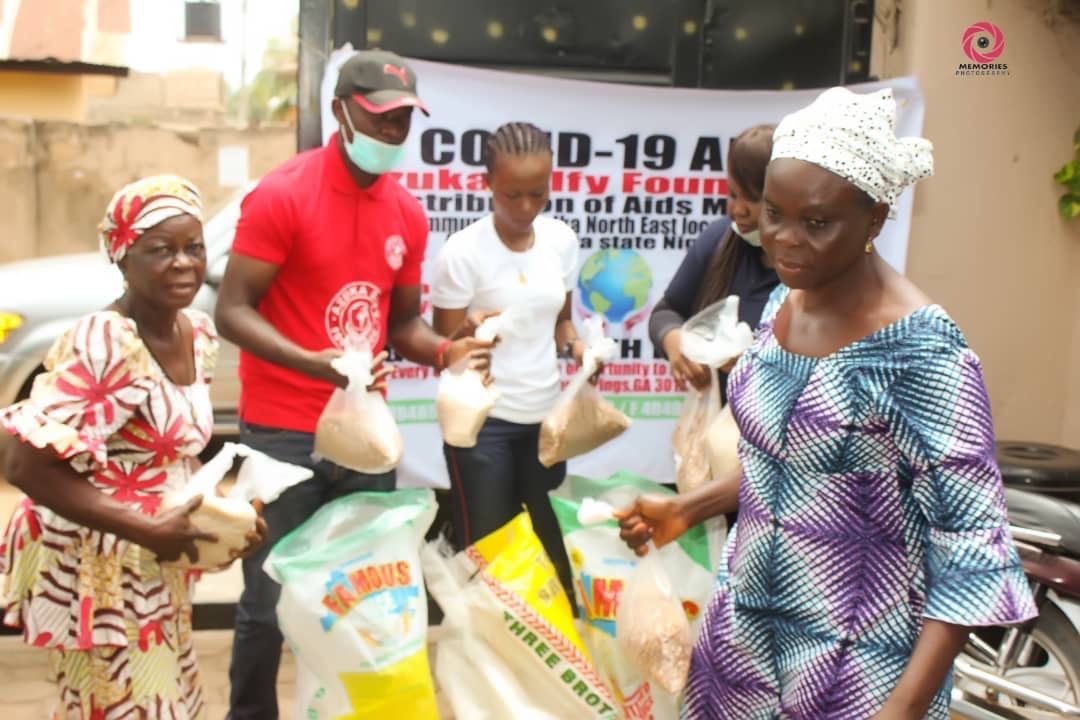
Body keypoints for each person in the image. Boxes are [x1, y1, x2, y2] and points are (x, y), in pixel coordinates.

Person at [616, 87, 1036, 719]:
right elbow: (790, 464)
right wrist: (688, 506)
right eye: (773, 214)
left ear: (876, 216)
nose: (785, 240)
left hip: (857, 671)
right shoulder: (790, 306)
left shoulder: (922, 354)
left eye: (816, 222)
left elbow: (973, 551)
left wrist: (902, 708)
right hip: (742, 653)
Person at [214, 50, 492, 718]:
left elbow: (401, 324)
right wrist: (313, 362)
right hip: (282, 431)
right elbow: (232, 309)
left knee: (361, 595)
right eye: (380, 119)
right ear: (340, 111)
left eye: (402, 121)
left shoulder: (406, 212)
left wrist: (449, 350)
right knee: (266, 598)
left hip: (366, 438)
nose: (392, 135)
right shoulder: (283, 194)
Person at [0, 175, 265, 718]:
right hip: (100, 562)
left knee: (161, 699)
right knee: (127, 704)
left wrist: (219, 522)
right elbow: (24, 463)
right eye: (161, 250)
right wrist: (144, 526)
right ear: (123, 257)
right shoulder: (105, 341)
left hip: (156, 557)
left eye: (193, 247)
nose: (184, 263)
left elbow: (172, 452)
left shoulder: (197, 332)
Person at [430, 121, 589, 599]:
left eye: (537, 195)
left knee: (551, 547)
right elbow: (441, 342)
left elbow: (562, 323)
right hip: (484, 423)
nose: (524, 208)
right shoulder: (462, 253)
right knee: (489, 555)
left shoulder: (560, 241)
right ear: (487, 185)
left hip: (545, 421)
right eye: (511, 194)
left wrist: (578, 348)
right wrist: (469, 328)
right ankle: (484, 662)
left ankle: (547, 661)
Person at [649, 124, 779, 401]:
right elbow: (666, 312)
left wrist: (758, 365)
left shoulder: (810, 273)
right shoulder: (719, 240)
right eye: (733, 195)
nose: (738, 209)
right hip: (709, 430)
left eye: (754, 199)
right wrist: (674, 341)